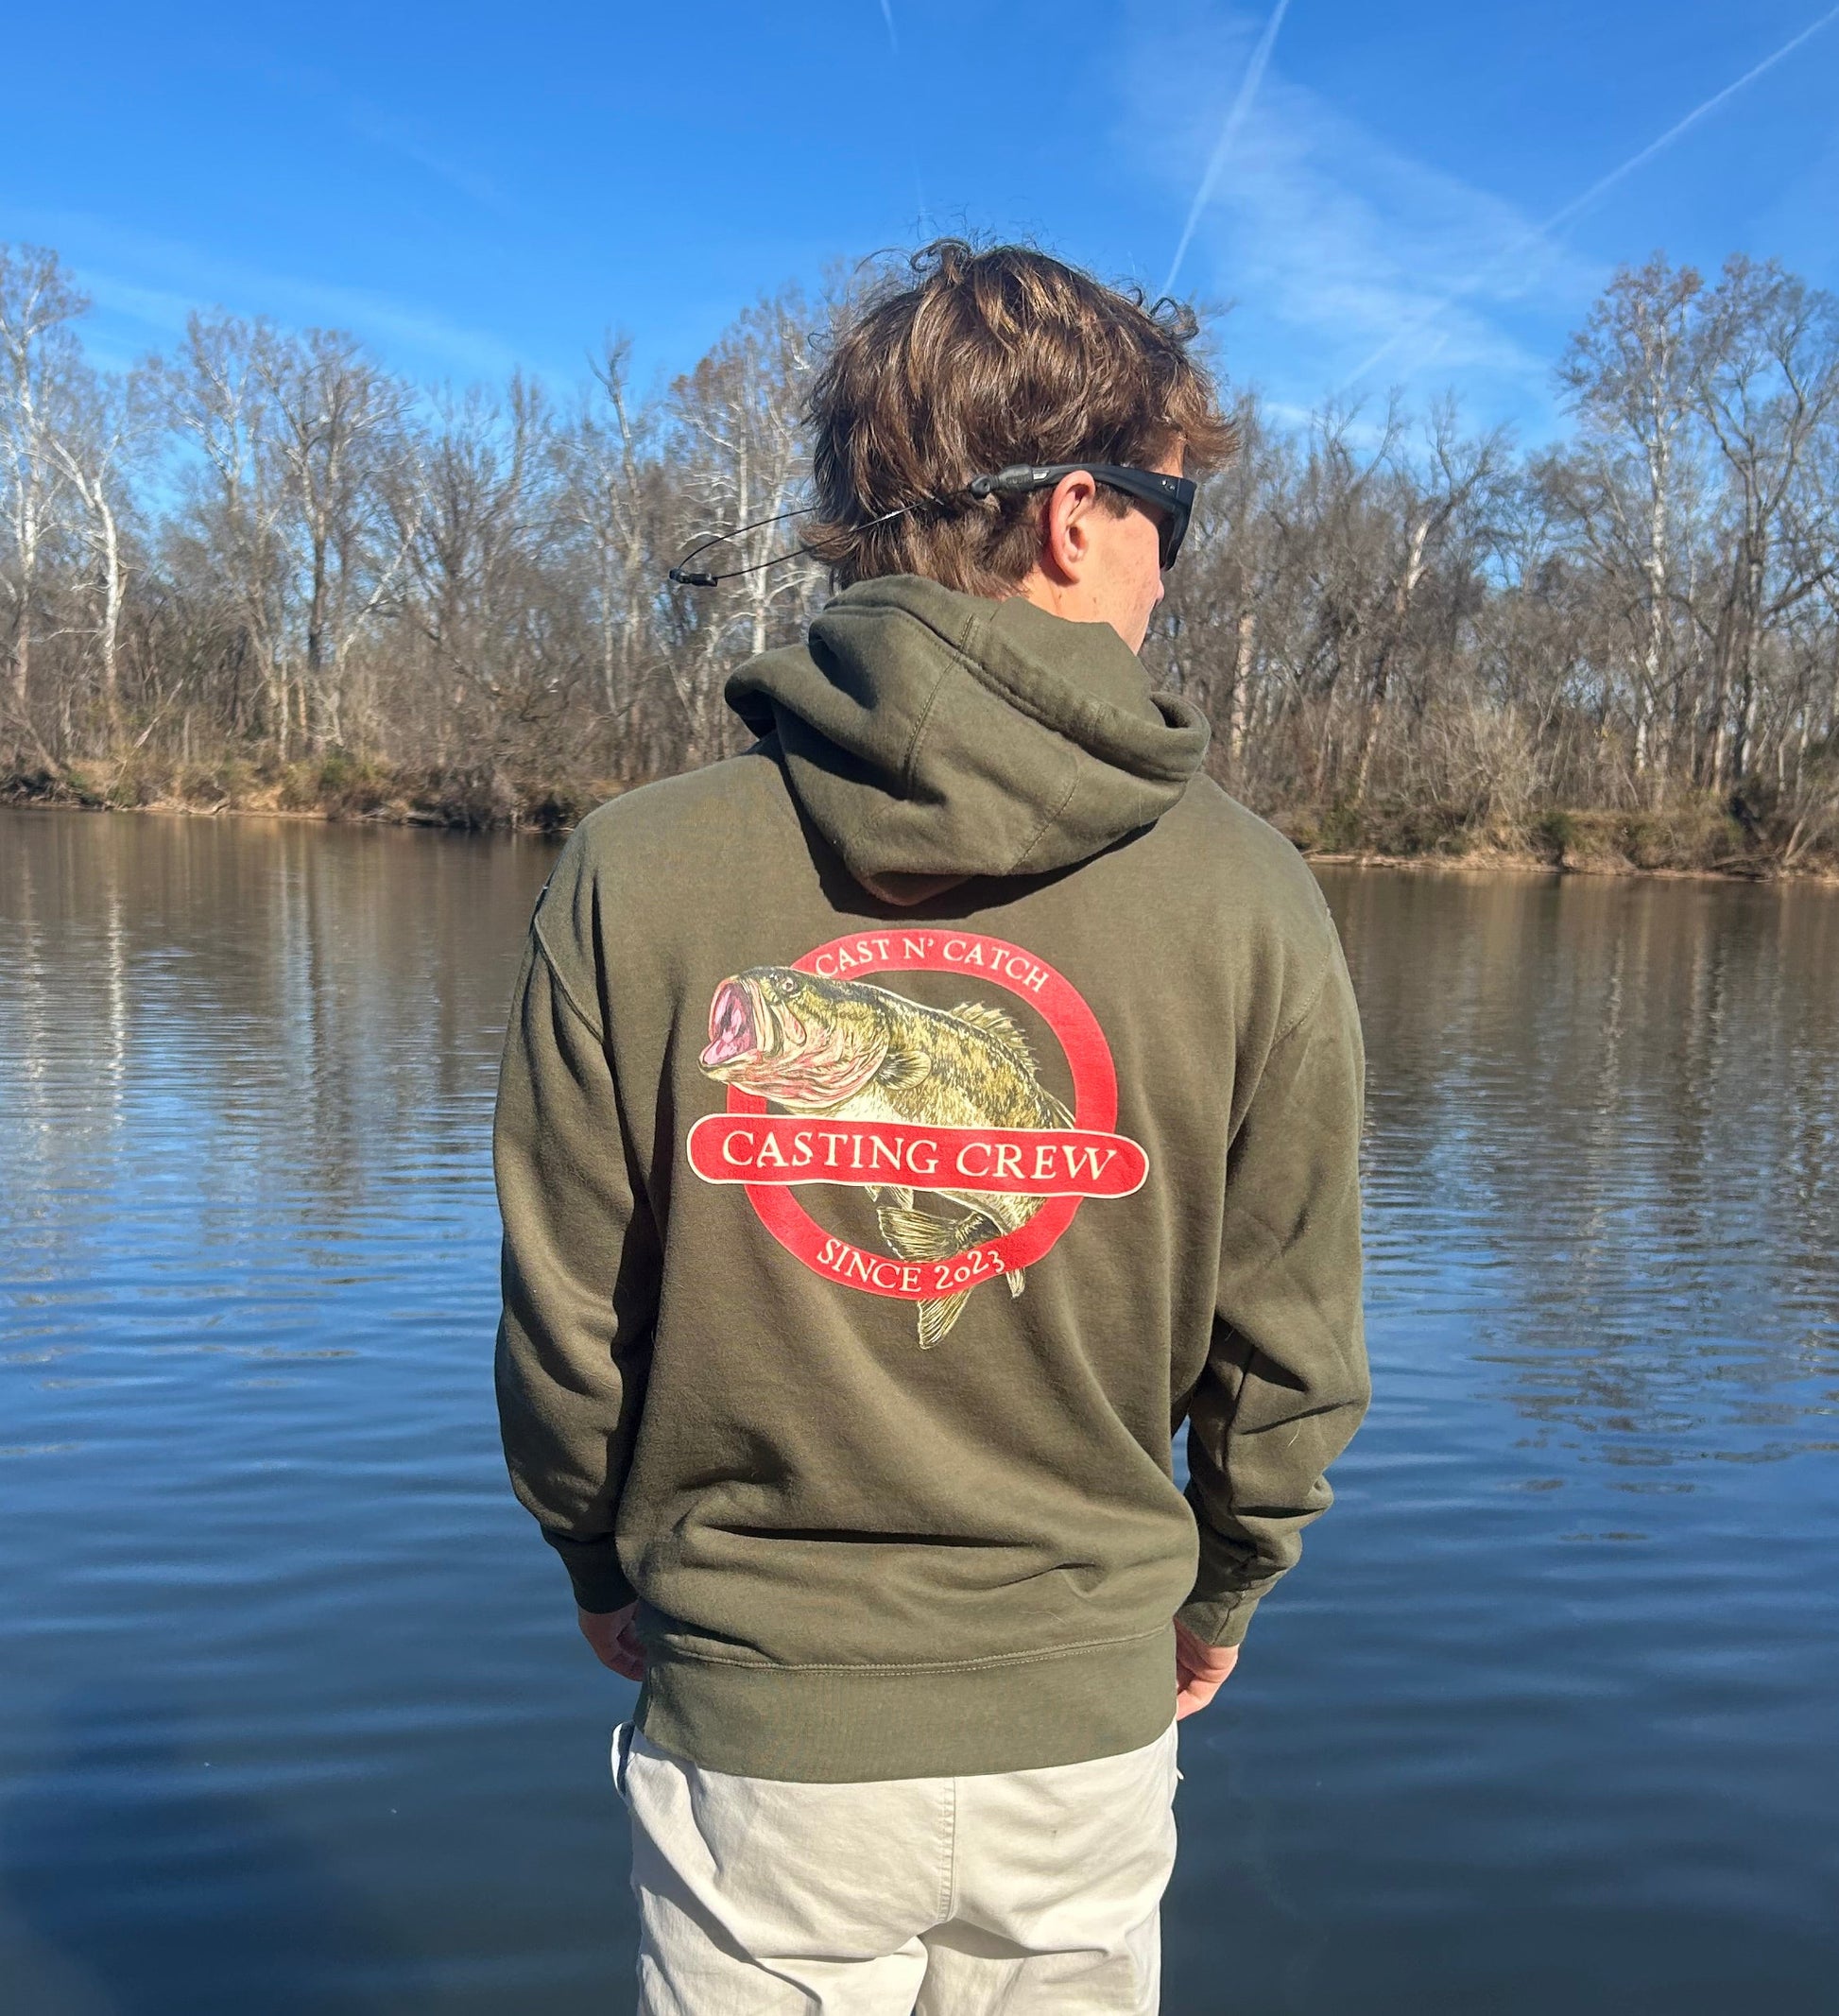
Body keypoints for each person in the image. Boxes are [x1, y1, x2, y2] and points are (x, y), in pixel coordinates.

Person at [493, 239, 1369, 2014]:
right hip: (1082, 1732)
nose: (1168, 572)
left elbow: (568, 1318)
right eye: (1171, 521)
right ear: (1073, 516)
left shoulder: (634, 868)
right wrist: (1222, 1588)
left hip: (755, 1738)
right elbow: (1289, 1349)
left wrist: (597, 1555)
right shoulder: (1253, 893)